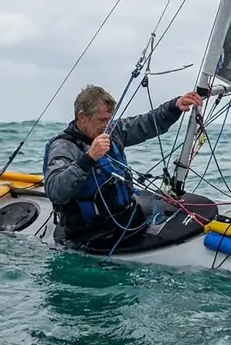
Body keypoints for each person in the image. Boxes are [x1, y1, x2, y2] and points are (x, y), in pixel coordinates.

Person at [42, 85, 204, 248]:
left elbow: (145, 123)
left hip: (127, 217)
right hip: (91, 233)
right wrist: (88, 159)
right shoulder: (63, 147)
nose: (107, 126)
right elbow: (55, 191)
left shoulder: (112, 131)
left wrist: (174, 107)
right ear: (82, 117)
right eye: (102, 120)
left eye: (109, 119)